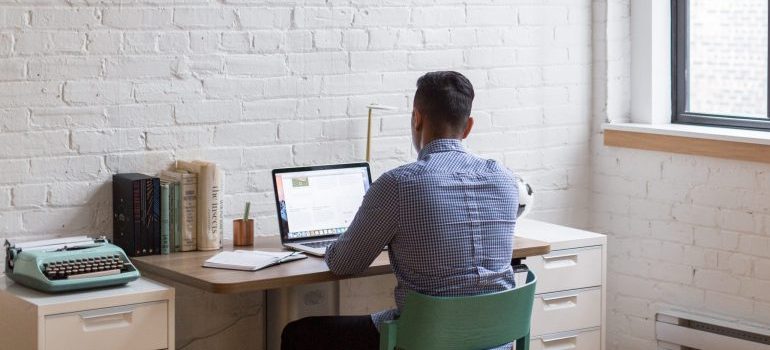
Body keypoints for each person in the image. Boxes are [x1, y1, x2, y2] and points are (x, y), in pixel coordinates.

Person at [281, 71, 519, 350]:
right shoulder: (505, 179)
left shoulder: (399, 184)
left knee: (299, 334)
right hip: (497, 339)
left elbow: (345, 263)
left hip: (425, 339)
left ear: (416, 118)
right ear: (468, 127)